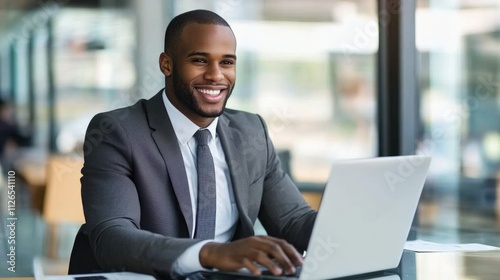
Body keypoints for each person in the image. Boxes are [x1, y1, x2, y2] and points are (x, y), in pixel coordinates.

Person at [69, 9, 317, 279]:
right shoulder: (118, 132)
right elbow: (112, 238)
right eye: (200, 60)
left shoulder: (251, 131)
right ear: (167, 64)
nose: (216, 75)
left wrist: (354, 224)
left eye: (227, 63)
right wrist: (210, 253)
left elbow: (294, 221)